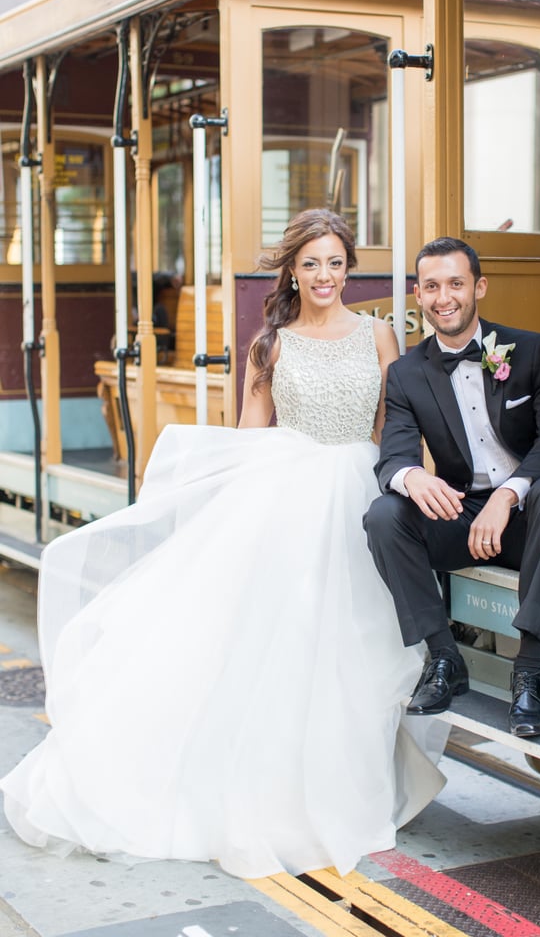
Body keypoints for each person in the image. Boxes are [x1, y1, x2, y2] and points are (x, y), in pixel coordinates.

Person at [0, 209, 448, 879]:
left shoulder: (380, 335)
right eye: (311, 264)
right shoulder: (269, 345)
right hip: (289, 501)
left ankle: (350, 785)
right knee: (290, 647)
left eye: (334, 263)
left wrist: (409, 487)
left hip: (362, 496)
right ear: (292, 271)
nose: (324, 276)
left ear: (348, 268)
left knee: (359, 647)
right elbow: (250, 435)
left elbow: (394, 427)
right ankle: (278, 795)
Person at [364, 236, 540, 738]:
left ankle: (528, 673)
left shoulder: (530, 350)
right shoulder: (406, 373)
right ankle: (443, 658)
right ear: (419, 294)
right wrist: (412, 475)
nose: (445, 297)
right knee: (383, 515)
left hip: (528, 519)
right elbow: (392, 455)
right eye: (433, 286)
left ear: (478, 286)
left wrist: (507, 496)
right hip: (462, 518)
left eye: (456, 283)